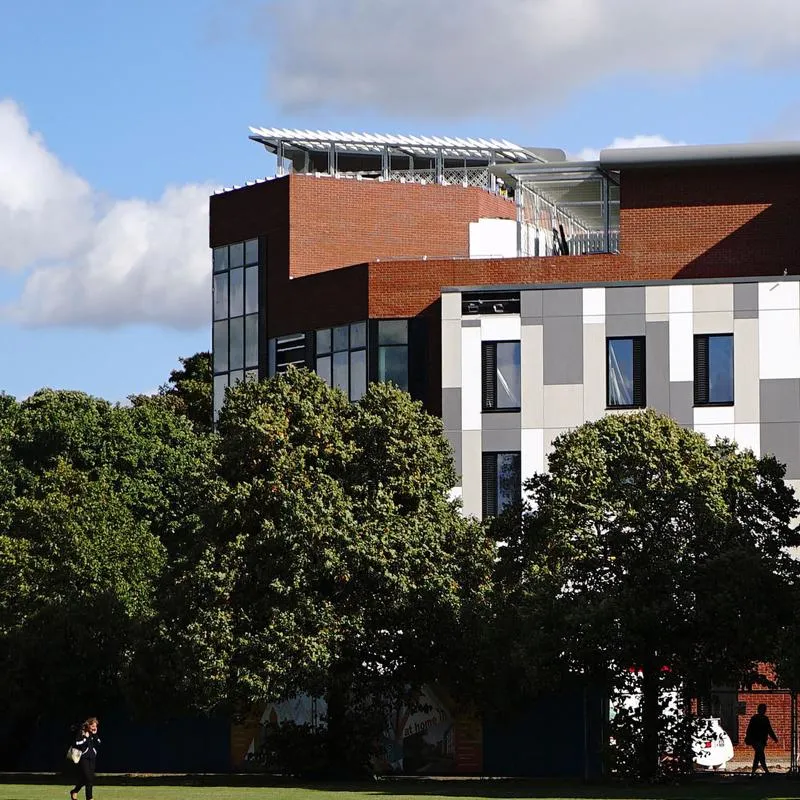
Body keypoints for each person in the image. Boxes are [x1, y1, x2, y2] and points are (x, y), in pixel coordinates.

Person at [69, 717, 100, 800]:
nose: (95, 728)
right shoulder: (82, 732)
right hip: (83, 758)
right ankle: (89, 798)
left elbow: (99, 742)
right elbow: (76, 743)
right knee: (88, 778)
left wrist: (95, 734)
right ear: (88, 725)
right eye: (93, 726)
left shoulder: (94, 734)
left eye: (96, 726)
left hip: (92, 758)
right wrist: (85, 738)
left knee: (87, 778)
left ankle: (74, 791)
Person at [744, 703, 777, 775]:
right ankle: (765, 770)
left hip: (757, 740)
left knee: (758, 755)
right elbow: (769, 730)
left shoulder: (755, 718)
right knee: (760, 754)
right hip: (758, 740)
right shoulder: (764, 719)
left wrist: (748, 737)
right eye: (764, 709)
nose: (764, 710)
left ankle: (754, 771)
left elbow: (749, 729)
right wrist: (774, 738)